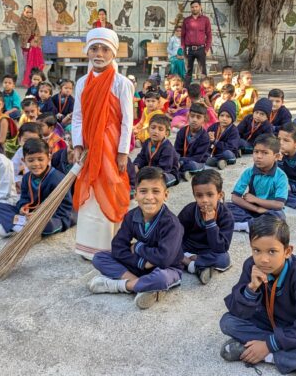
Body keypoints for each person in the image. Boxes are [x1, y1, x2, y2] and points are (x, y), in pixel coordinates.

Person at [219, 216, 296, 374]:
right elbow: (237, 310)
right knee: (227, 322)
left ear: (287, 251)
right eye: (257, 250)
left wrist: (268, 346)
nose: (263, 259)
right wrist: (251, 289)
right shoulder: (251, 266)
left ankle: (264, 355)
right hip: (269, 323)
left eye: (272, 251)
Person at [71, 28, 135, 260]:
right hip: (89, 143)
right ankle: (88, 246)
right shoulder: (81, 83)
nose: (99, 53)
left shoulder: (122, 83)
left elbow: (128, 120)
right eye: (94, 48)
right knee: (90, 186)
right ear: (87, 51)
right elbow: (77, 116)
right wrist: (77, 144)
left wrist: (122, 152)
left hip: (111, 144)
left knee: (110, 184)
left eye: (105, 49)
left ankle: (110, 244)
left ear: (113, 53)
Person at [88, 166, 184, 309]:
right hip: (138, 266)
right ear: (135, 194)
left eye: (156, 191)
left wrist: (138, 247)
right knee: (99, 258)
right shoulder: (131, 216)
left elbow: (164, 259)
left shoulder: (171, 223)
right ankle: (142, 286)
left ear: (166, 195)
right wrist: (142, 263)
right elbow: (118, 248)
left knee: (161, 278)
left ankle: (119, 286)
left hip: (167, 269)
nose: (149, 197)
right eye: (143, 191)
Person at [0, 138, 75, 237]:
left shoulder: (58, 178)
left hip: (50, 218)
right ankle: (24, 228)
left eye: (40, 159)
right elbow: (24, 199)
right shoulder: (26, 178)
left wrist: (40, 216)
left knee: (49, 225)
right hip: (30, 216)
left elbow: (65, 209)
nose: (36, 164)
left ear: (48, 159)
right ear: (24, 161)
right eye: (31, 160)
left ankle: (18, 226)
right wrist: (23, 208)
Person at [179, 170, 234, 284]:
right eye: (199, 195)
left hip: (209, 250)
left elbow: (220, 248)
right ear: (194, 195)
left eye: (210, 195)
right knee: (168, 249)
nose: (204, 200)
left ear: (220, 195)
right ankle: (197, 266)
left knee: (224, 259)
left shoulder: (226, 216)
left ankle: (190, 264)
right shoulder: (189, 210)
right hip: (188, 248)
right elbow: (176, 234)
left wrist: (210, 223)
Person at [229, 134, 288, 232]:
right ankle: (253, 224)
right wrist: (256, 209)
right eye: (256, 152)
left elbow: (279, 204)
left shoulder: (281, 176)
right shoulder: (249, 172)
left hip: (268, 210)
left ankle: (245, 225)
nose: (258, 156)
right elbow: (235, 197)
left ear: (276, 156)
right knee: (225, 207)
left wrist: (255, 200)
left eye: (265, 153)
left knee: (279, 216)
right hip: (250, 208)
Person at [133, 114, 179, 187]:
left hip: (165, 173)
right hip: (149, 171)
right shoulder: (147, 142)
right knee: (130, 167)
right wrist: (136, 165)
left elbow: (165, 168)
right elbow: (141, 157)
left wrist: (146, 171)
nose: (155, 131)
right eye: (153, 128)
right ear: (148, 130)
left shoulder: (167, 147)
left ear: (166, 133)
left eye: (160, 129)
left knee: (161, 180)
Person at [174, 103, 210, 181]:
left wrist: (181, 161)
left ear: (204, 119)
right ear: (188, 116)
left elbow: (198, 158)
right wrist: (175, 159)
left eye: (198, 117)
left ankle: (181, 171)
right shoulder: (182, 131)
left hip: (197, 162)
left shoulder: (205, 137)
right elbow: (176, 150)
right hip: (181, 160)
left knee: (192, 166)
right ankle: (184, 173)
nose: (194, 119)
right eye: (192, 116)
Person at [181, 0, 212, 85]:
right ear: (190, 8)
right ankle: (186, 90)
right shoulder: (186, 20)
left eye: (196, 6)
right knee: (188, 71)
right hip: (188, 49)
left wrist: (206, 49)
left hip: (201, 49)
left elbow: (209, 35)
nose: (194, 8)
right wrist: (183, 47)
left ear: (200, 7)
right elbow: (182, 35)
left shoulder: (205, 20)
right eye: (192, 7)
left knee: (203, 72)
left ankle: (204, 92)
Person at [205, 102, 240, 170]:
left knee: (228, 154)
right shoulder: (213, 127)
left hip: (227, 153)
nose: (224, 118)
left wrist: (215, 142)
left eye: (228, 116)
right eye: (222, 115)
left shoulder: (234, 130)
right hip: (214, 153)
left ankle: (214, 161)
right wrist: (208, 138)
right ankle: (220, 162)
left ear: (232, 118)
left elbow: (231, 147)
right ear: (218, 116)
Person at [16, 5, 44, 88]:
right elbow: (20, 33)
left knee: (36, 49)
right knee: (31, 53)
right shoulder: (20, 21)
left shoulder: (34, 21)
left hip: (34, 43)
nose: (29, 14)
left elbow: (37, 32)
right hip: (25, 44)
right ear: (23, 12)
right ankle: (29, 81)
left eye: (30, 12)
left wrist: (35, 39)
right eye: (27, 12)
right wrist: (29, 39)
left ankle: (37, 80)